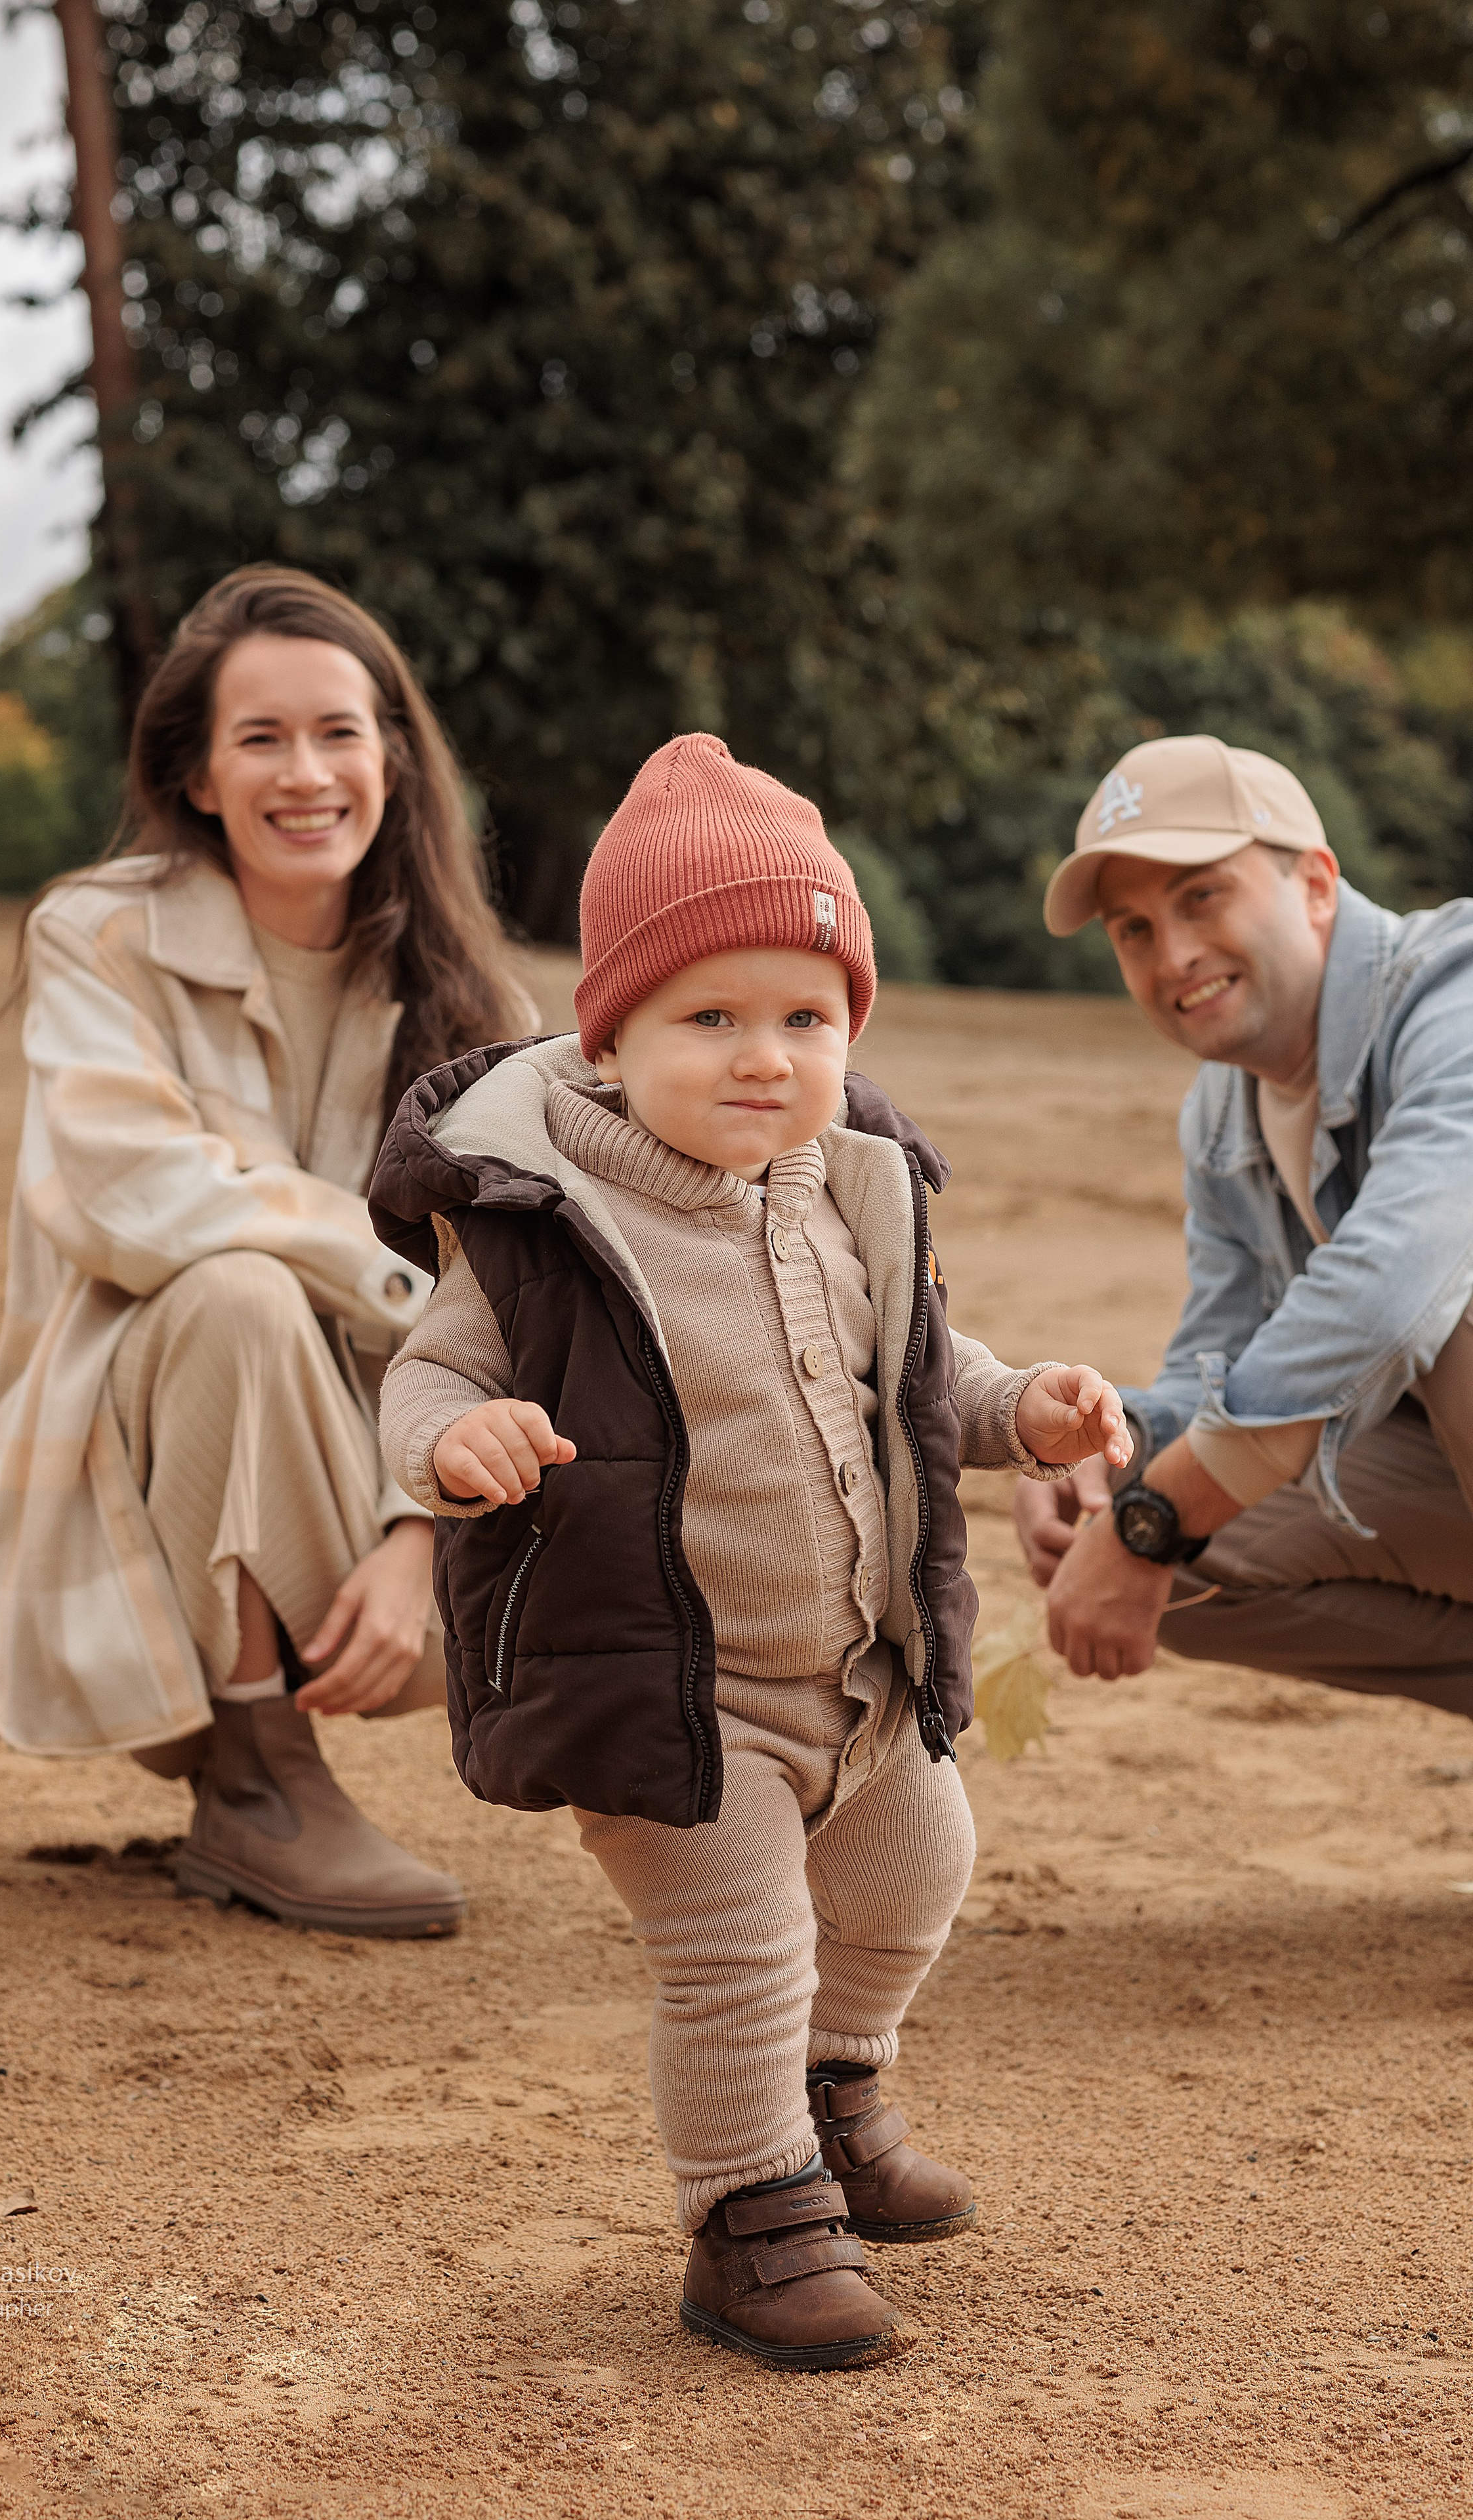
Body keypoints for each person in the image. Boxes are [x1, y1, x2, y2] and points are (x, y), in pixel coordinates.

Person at [368, 733, 1132, 2369]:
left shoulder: (842, 1190)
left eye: (804, 1017)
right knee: (735, 1948)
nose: (763, 1058)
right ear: (614, 1031)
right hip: (671, 1688)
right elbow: (430, 1369)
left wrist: (1032, 1412)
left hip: (852, 1673)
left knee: (916, 1870)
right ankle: (746, 2216)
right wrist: (451, 1444)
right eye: (706, 1018)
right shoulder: (541, 1219)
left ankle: (832, 2092)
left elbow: (921, 1374)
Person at [0, 566, 533, 1937]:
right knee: (235, 1289)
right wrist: (390, 1275)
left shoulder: (473, 1002)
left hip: (380, 1505)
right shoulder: (99, 936)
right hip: (136, 1483)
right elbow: (133, 1195)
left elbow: (516, 1303)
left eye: (338, 731)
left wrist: (414, 1538)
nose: (306, 772)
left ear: (391, 756)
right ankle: (260, 1781)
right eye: (259, 738)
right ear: (198, 777)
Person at [1012, 732, 1473, 1710]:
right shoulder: (1224, 1111)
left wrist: (1154, 1518)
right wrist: (1114, 1451)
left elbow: (1391, 1290)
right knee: (1185, 1568)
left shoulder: (1456, 992)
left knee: (1452, 1316)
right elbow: (1220, 1356)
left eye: (1201, 897)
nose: (1173, 954)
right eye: (1133, 928)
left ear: (1315, 883)